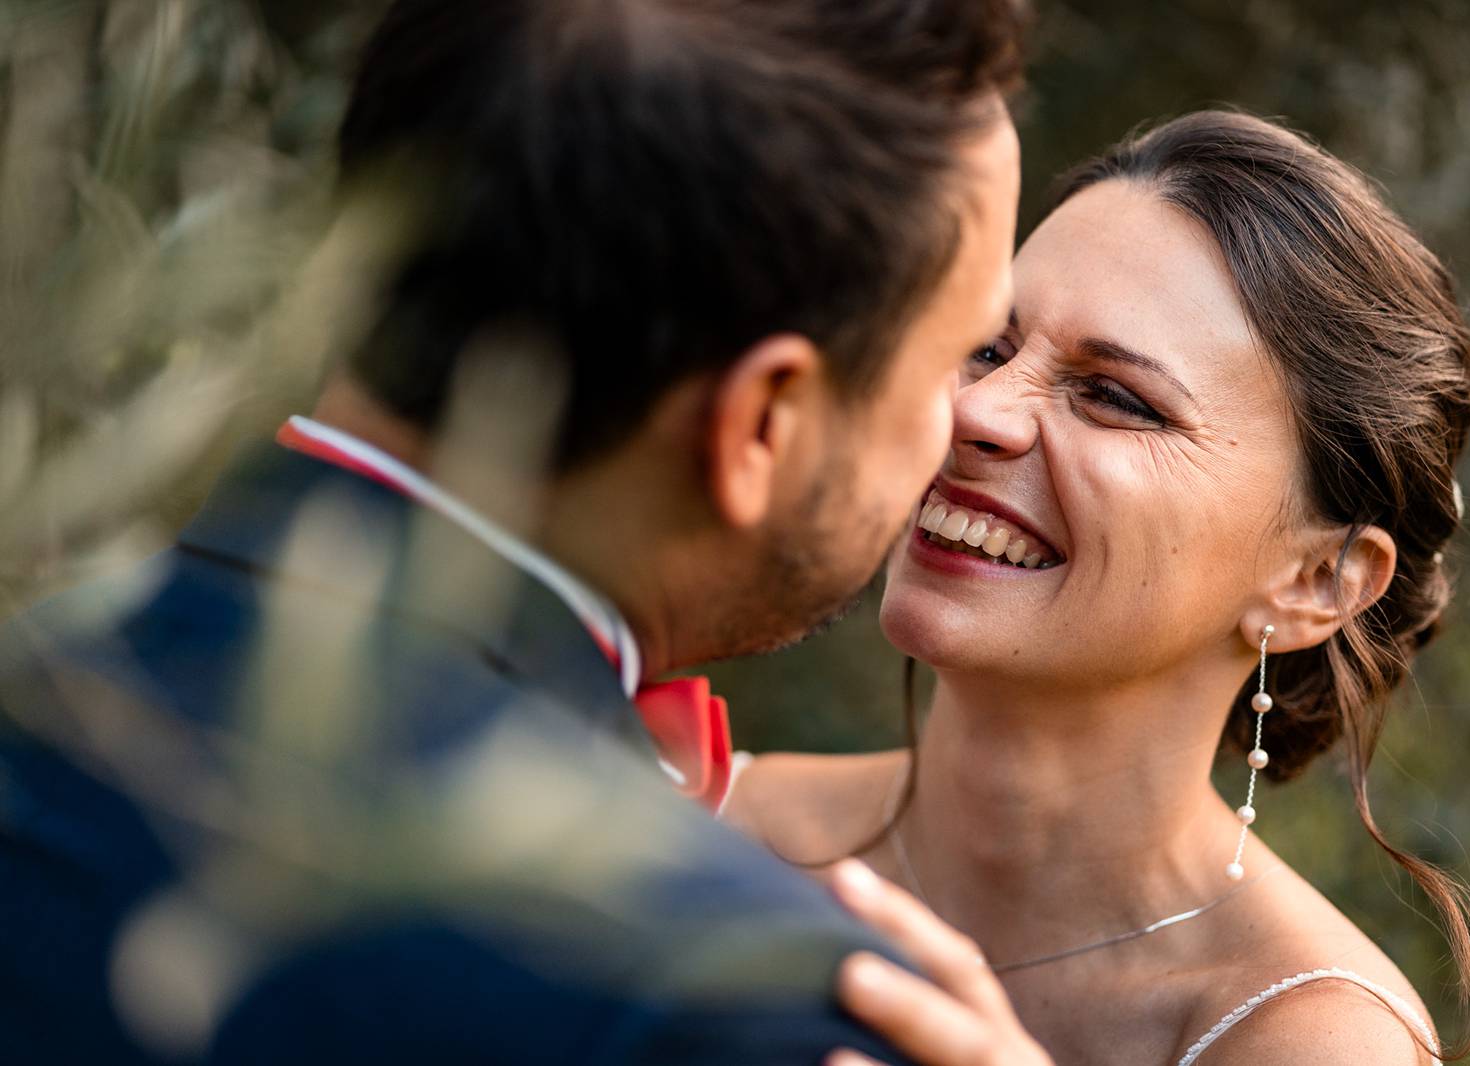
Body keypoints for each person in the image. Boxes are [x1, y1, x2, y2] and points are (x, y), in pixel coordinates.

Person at [0, 0, 1052, 1062]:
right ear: (760, 424)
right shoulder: (745, 1007)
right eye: (955, 358)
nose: (972, 422)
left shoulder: (35, 679)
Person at [725, 110, 1470, 1065]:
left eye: (1116, 397)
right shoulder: (701, 821)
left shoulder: (1310, 1040)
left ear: (1317, 579)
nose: (976, 410)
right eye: (989, 347)